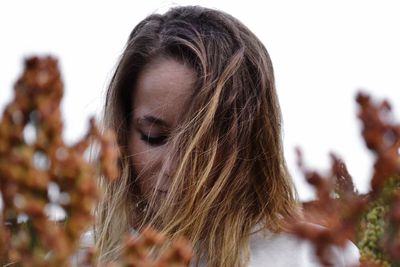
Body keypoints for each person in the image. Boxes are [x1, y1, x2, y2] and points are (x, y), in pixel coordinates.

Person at [91, 5, 359, 267]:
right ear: (122, 135)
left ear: (251, 143)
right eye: (154, 136)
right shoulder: (79, 258)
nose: (175, 168)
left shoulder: (316, 258)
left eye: (202, 145)